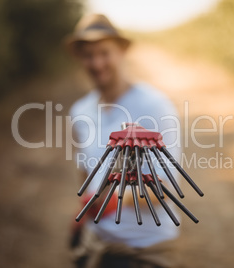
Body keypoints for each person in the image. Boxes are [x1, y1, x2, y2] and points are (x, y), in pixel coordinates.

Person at [65, 14, 182, 268]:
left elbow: (165, 188)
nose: (96, 63)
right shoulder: (80, 111)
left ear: (121, 52)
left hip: (145, 251)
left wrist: (112, 199)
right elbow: (86, 177)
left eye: (104, 52)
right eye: (88, 55)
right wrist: (84, 211)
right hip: (97, 247)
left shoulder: (154, 106)